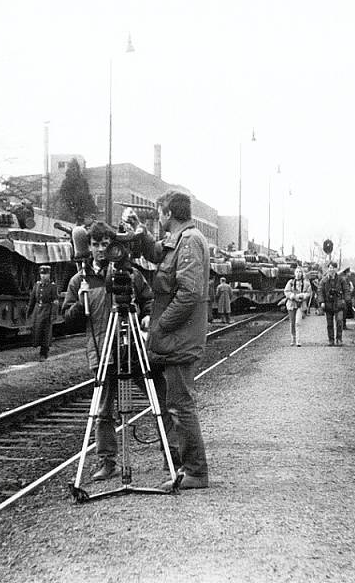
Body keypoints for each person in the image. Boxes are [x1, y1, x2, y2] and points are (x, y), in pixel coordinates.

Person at [127, 191, 209, 491]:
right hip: (176, 337)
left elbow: (188, 293)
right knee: (174, 400)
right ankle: (184, 463)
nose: (157, 219)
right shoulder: (181, 239)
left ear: (168, 214)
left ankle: (196, 472)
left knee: (180, 404)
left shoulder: (189, 241)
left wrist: (160, 325)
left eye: (159, 214)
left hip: (179, 338)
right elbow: (157, 252)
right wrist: (140, 232)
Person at [61, 221, 154, 481]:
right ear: (88, 246)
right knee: (103, 411)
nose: (100, 250)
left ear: (113, 245)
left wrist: (147, 316)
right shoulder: (79, 280)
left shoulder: (130, 274)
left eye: (105, 244)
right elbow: (67, 319)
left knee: (159, 396)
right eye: (95, 244)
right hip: (102, 353)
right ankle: (107, 461)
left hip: (132, 349)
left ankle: (173, 451)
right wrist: (81, 302)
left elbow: (148, 299)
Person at [27, 265, 59, 361]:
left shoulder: (52, 286)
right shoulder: (37, 285)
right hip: (38, 311)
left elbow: (55, 302)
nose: (43, 276)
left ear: (49, 275)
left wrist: (53, 314)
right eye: (42, 274)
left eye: (45, 274)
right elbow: (32, 299)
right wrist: (29, 311)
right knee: (37, 331)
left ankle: (44, 353)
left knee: (46, 333)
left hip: (47, 311)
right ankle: (38, 349)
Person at [318, 261, 350, 346]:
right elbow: (320, 291)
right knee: (329, 324)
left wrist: (346, 300)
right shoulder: (324, 280)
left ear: (336, 269)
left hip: (338, 304)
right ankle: (331, 340)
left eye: (332, 268)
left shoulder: (341, 280)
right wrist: (321, 302)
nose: (331, 270)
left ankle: (339, 339)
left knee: (339, 322)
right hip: (328, 304)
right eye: (329, 268)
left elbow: (346, 290)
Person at [284, 266, 311, 346]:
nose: (298, 274)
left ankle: (298, 340)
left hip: (300, 304)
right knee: (292, 322)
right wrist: (292, 296)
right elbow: (286, 291)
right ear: (294, 273)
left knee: (298, 322)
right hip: (292, 304)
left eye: (300, 272)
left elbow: (309, 293)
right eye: (297, 272)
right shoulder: (290, 282)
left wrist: (302, 295)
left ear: (302, 273)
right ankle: (293, 338)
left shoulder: (306, 283)